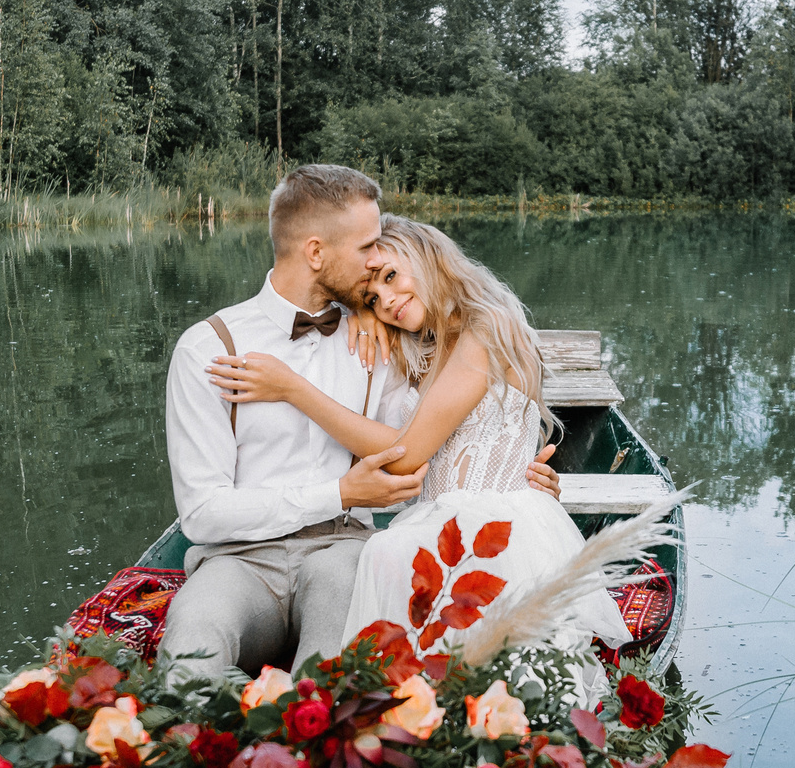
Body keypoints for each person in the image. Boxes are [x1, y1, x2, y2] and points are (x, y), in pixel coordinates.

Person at [159, 166, 560, 681]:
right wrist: (341, 491)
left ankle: (300, 747)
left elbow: (412, 454)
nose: (376, 266)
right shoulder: (208, 348)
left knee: (330, 666)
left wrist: (523, 481)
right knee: (192, 639)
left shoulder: (383, 341)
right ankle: (187, 746)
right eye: (369, 250)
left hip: (342, 548)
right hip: (237, 559)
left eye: (386, 265)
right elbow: (201, 514)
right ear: (316, 252)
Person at [206, 214, 625, 661]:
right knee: (387, 558)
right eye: (374, 295)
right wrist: (364, 314)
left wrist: (292, 389)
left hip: (493, 527)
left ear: (429, 258)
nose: (388, 300)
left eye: (391, 277)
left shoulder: (487, 329)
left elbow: (406, 457)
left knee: (386, 552)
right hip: (439, 518)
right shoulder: (428, 344)